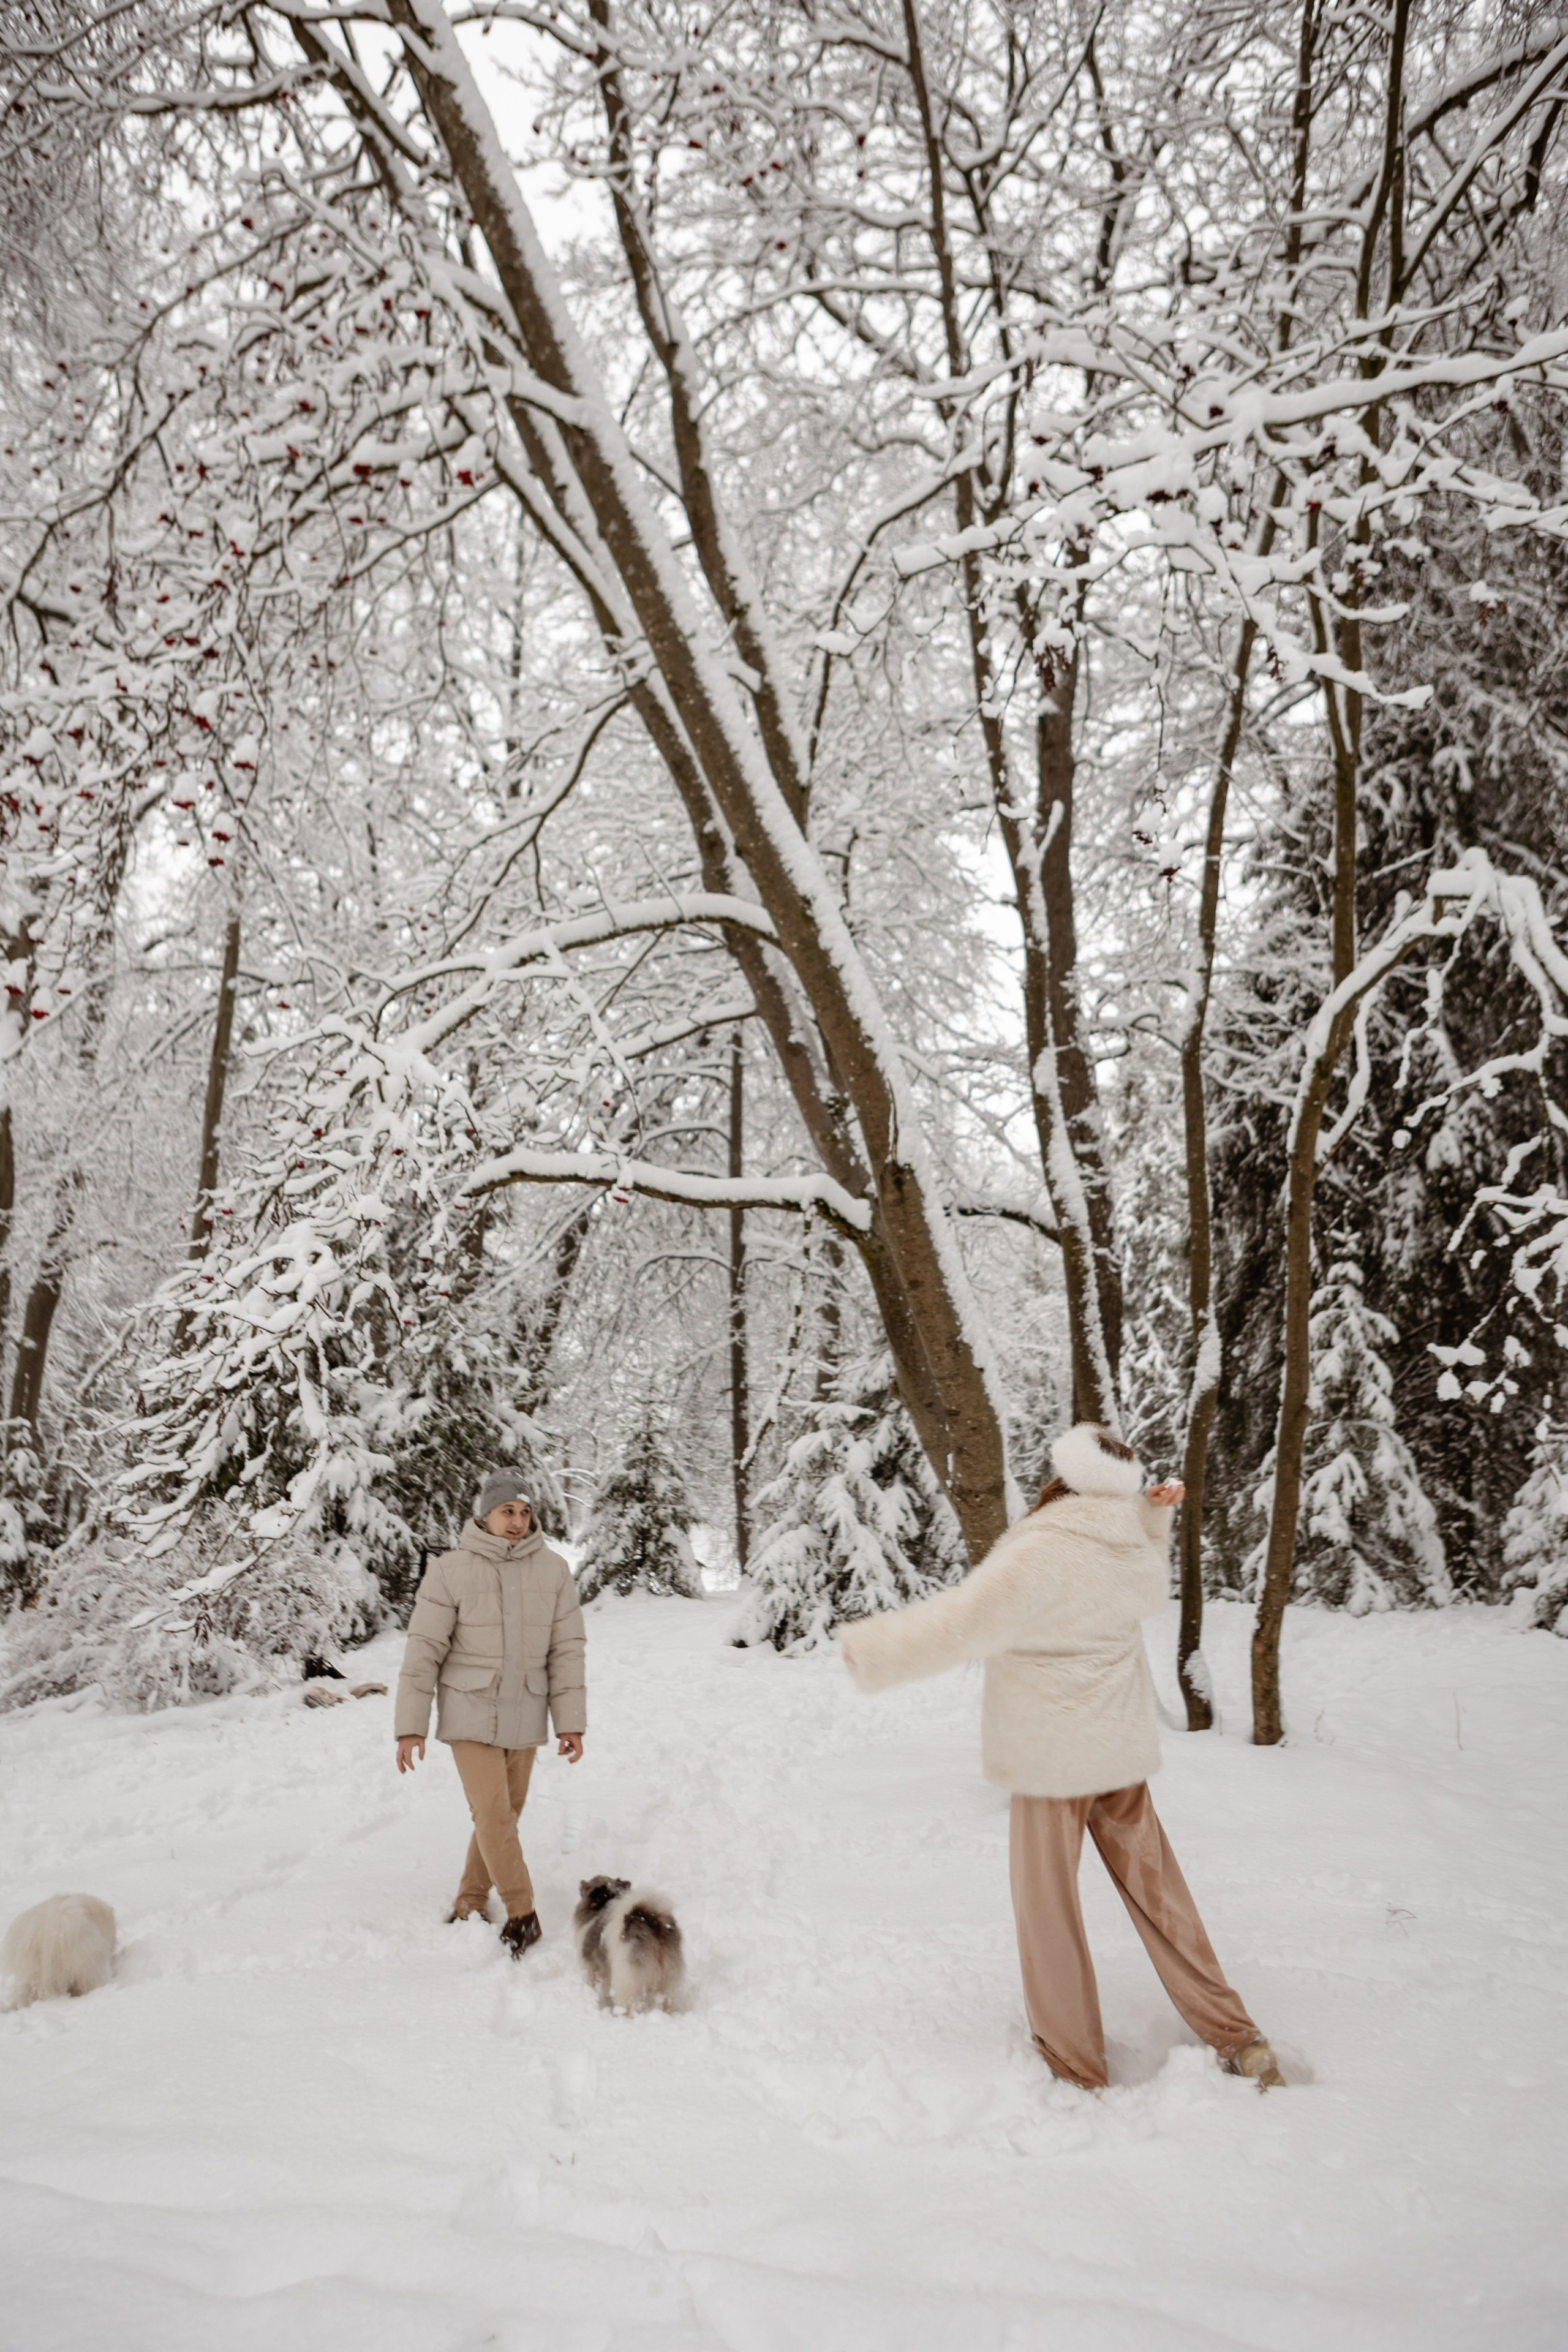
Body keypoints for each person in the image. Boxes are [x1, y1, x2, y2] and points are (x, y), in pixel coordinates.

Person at [840, 1423, 1284, 2091]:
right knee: (1161, 1898)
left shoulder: (1041, 1552)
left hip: (1051, 1763)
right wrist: (1153, 1518)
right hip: (1119, 1752)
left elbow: (964, 1620)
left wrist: (876, 1651)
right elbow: (1145, 1584)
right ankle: (1238, 2037)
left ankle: (1076, 2065)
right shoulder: (1130, 1547)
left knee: (1048, 1911)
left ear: (1060, 1482)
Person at [394, 1471, 586, 1956]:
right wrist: (410, 1727)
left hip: (526, 1709)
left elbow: (567, 1651)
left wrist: (570, 1723)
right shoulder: (450, 1570)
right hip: (469, 1709)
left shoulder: (554, 1571)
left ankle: (471, 1901)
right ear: (485, 1514)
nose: (517, 1522)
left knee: (503, 1816)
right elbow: (423, 1651)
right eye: (507, 1512)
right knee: (494, 1814)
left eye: (524, 1512)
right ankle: (523, 1913)